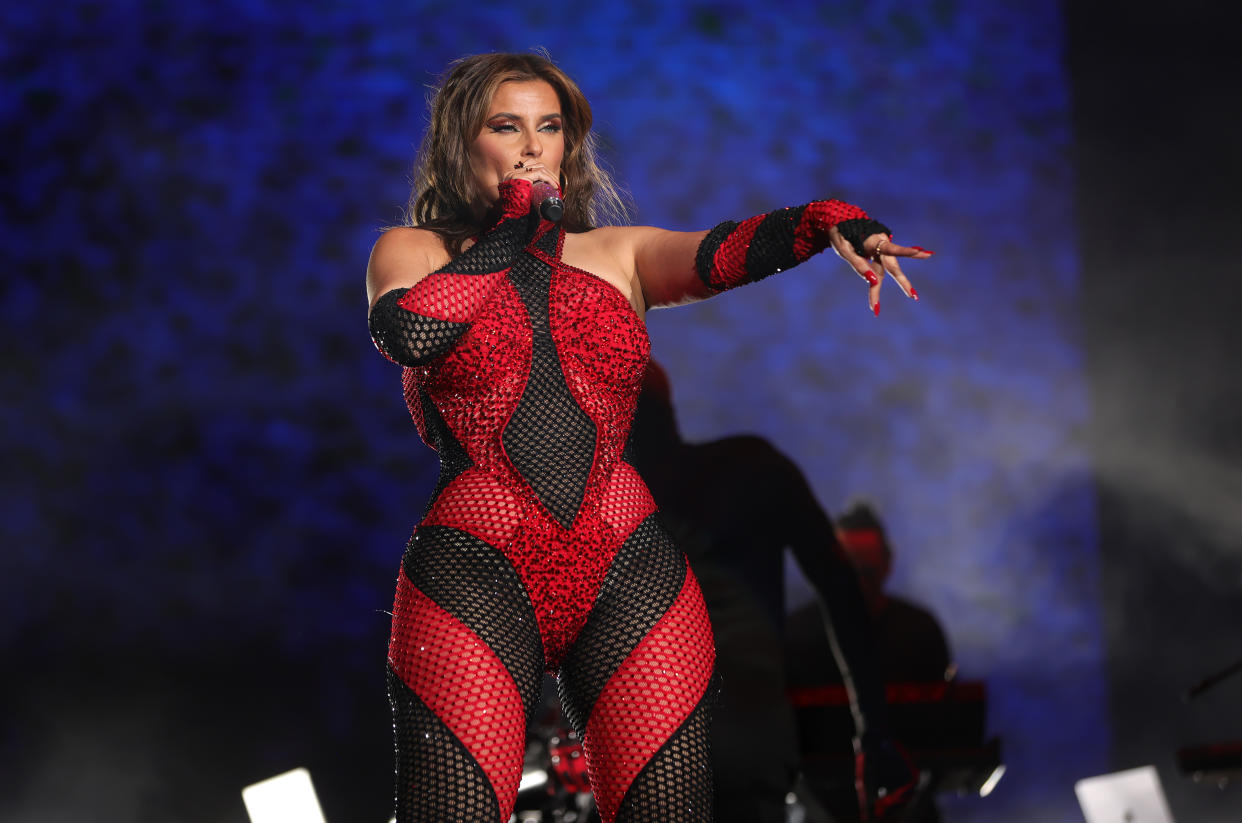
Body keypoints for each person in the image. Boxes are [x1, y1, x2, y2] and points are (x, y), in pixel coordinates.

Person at [364, 51, 931, 823]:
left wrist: (829, 221)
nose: (532, 147)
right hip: (478, 566)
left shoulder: (618, 254)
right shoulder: (414, 251)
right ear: (464, 143)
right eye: (507, 127)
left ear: (569, 145)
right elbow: (409, 332)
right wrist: (517, 228)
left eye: (549, 129)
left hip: (625, 561)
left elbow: (725, 252)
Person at [630, 362, 915, 823]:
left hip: (649, 749)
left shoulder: (600, 507)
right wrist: (873, 734)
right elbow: (842, 591)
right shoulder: (756, 467)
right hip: (753, 739)